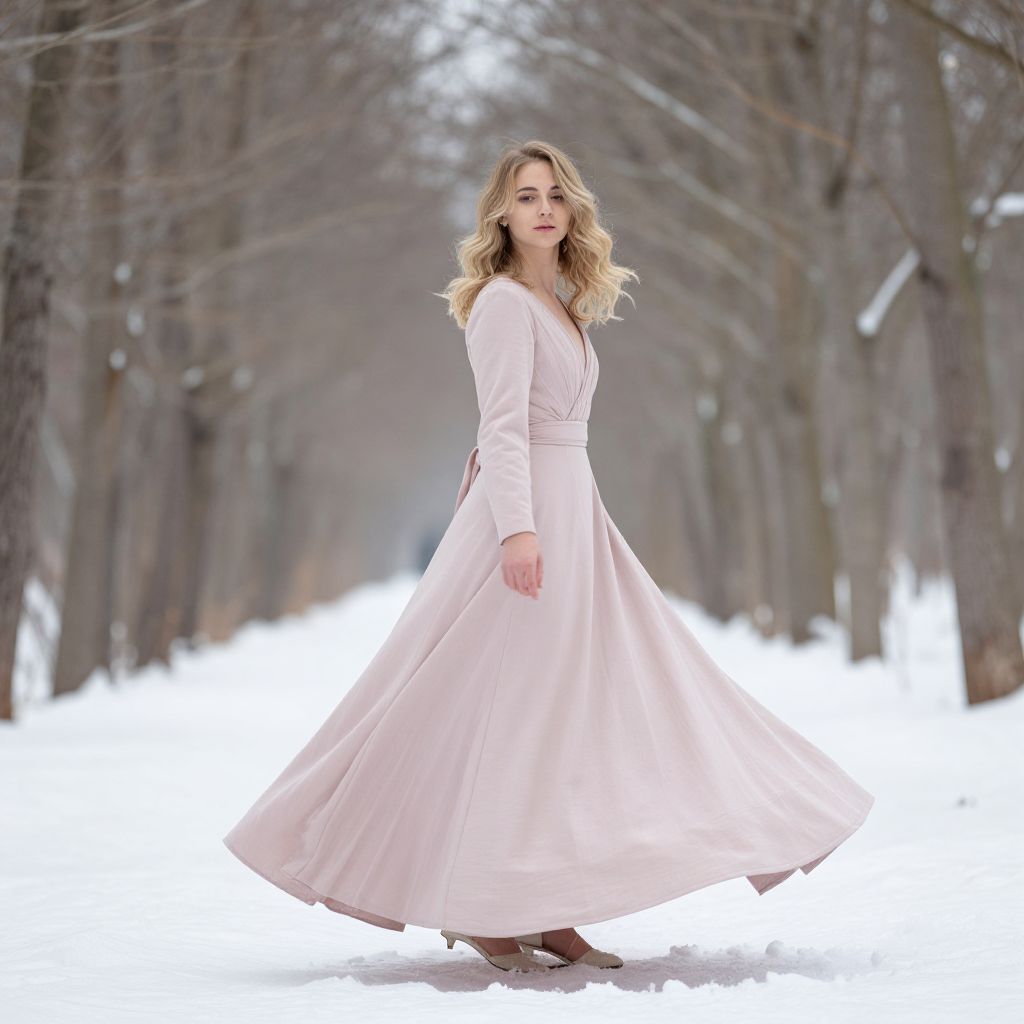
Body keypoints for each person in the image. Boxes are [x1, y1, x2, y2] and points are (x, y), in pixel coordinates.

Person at [222, 139, 875, 975]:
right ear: (501, 211)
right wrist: (518, 532)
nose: (542, 209)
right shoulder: (502, 304)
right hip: (526, 522)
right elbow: (502, 428)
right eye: (526, 195)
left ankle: (549, 904)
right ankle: (488, 906)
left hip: (575, 513)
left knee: (573, 710)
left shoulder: (560, 305)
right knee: (514, 711)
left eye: (555, 195)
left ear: (572, 211)